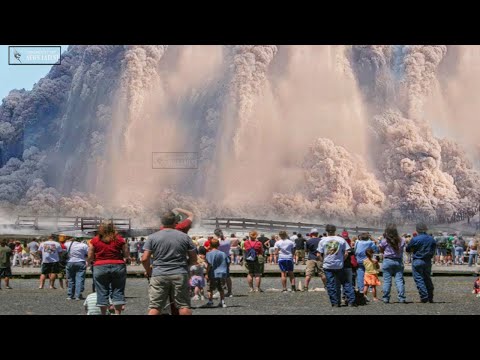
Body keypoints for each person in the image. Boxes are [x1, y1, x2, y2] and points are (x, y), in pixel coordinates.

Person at [141, 210, 197, 315]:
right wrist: (186, 265)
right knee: (183, 305)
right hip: (180, 272)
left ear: (162, 222)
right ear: (175, 221)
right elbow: (194, 259)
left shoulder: (153, 237)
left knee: (155, 306)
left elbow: (144, 259)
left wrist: (149, 271)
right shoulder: (184, 237)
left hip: (159, 273)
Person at [88, 222, 129, 315]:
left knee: (102, 291)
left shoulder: (95, 240)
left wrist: (90, 261)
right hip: (118, 265)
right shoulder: (119, 239)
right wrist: (126, 258)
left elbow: (90, 254)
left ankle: (103, 313)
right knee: (118, 290)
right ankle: (117, 313)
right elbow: (126, 253)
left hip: (100, 266)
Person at [318, 224, 356, 307]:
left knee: (330, 284)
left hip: (328, 265)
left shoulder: (322, 240)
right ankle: (351, 301)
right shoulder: (341, 239)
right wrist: (342, 260)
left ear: (326, 231)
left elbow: (318, 254)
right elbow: (347, 252)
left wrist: (323, 261)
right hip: (339, 265)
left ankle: (335, 302)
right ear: (335, 230)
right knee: (345, 282)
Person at [406, 223, 436, 303]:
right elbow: (434, 249)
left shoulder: (415, 239)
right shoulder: (431, 238)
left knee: (419, 278)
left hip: (418, 259)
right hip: (427, 261)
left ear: (417, 230)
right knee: (427, 278)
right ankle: (430, 296)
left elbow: (408, 249)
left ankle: (424, 296)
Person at [378, 224, 406, 304]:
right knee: (399, 280)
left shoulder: (385, 240)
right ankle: (401, 298)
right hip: (398, 261)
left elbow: (380, 249)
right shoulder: (402, 240)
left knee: (387, 281)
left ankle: (386, 298)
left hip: (388, 260)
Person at [205, 238, 230, 308]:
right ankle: (222, 302)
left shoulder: (208, 254)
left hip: (212, 273)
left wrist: (206, 273)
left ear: (210, 245)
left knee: (210, 288)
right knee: (221, 288)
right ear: (218, 245)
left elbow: (209, 265)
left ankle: (210, 301)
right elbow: (228, 262)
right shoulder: (223, 253)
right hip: (222, 273)